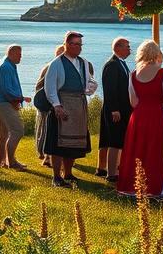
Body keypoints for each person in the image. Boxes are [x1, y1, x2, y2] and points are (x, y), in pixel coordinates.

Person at [117, 39, 163, 197]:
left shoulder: (133, 74)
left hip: (139, 115)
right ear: (157, 54)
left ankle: (134, 184)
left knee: (138, 148)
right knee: (159, 149)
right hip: (159, 114)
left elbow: (133, 101)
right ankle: (160, 185)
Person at [44, 32, 95, 188]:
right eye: (76, 44)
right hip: (62, 103)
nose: (79, 48)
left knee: (73, 143)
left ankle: (68, 173)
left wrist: (90, 87)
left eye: (80, 44)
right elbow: (49, 86)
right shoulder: (56, 63)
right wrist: (56, 105)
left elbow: (88, 81)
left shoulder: (83, 62)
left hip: (78, 105)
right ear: (67, 44)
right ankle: (56, 177)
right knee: (58, 144)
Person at [95, 37, 132, 181]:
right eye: (127, 47)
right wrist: (114, 109)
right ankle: (111, 173)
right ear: (118, 48)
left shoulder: (121, 63)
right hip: (115, 109)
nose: (130, 50)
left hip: (121, 108)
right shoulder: (112, 65)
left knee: (112, 139)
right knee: (114, 141)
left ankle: (105, 168)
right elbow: (110, 89)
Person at [0, 45, 31, 170]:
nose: (21, 57)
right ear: (11, 53)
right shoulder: (6, 67)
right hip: (5, 104)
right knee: (17, 131)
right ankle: (12, 162)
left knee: (3, 134)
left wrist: (18, 99)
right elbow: (6, 89)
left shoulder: (4, 64)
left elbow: (5, 88)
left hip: (0, 103)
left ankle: (1, 161)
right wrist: (19, 99)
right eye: (19, 54)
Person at [33, 45, 68, 166]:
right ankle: (47, 156)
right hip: (49, 104)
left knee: (48, 130)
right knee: (47, 130)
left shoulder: (51, 67)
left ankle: (49, 155)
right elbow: (40, 86)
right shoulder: (50, 67)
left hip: (54, 103)